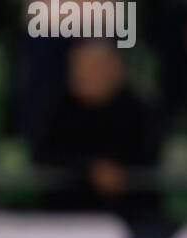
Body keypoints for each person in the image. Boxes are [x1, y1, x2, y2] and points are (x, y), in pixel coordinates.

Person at [32, 38, 164, 221]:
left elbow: (148, 157)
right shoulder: (57, 109)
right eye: (77, 68)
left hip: (130, 216)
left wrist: (118, 174)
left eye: (93, 68)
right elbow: (41, 155)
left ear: (115, 69)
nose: (82, 75)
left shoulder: (139, 110)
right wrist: (89, 170)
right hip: (66, 215)